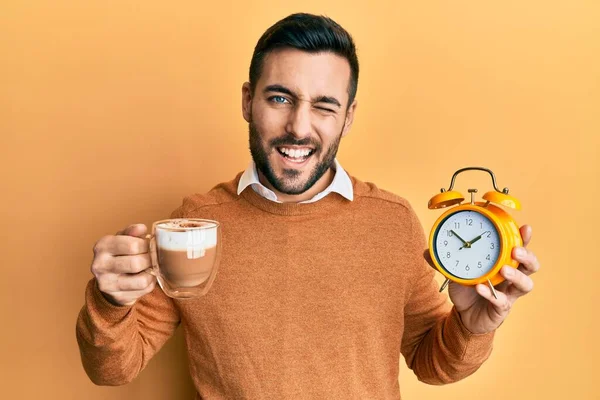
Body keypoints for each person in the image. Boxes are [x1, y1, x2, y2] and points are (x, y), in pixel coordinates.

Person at [76, 13, 540, 399]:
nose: (298, 127)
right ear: (247, 101)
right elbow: (114, 369)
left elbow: (432, 364)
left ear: (348, 117)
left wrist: (472, 325)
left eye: (324, 106)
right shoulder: (195, 224)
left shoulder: (392, 221)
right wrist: (110, 301)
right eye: (280, 98)